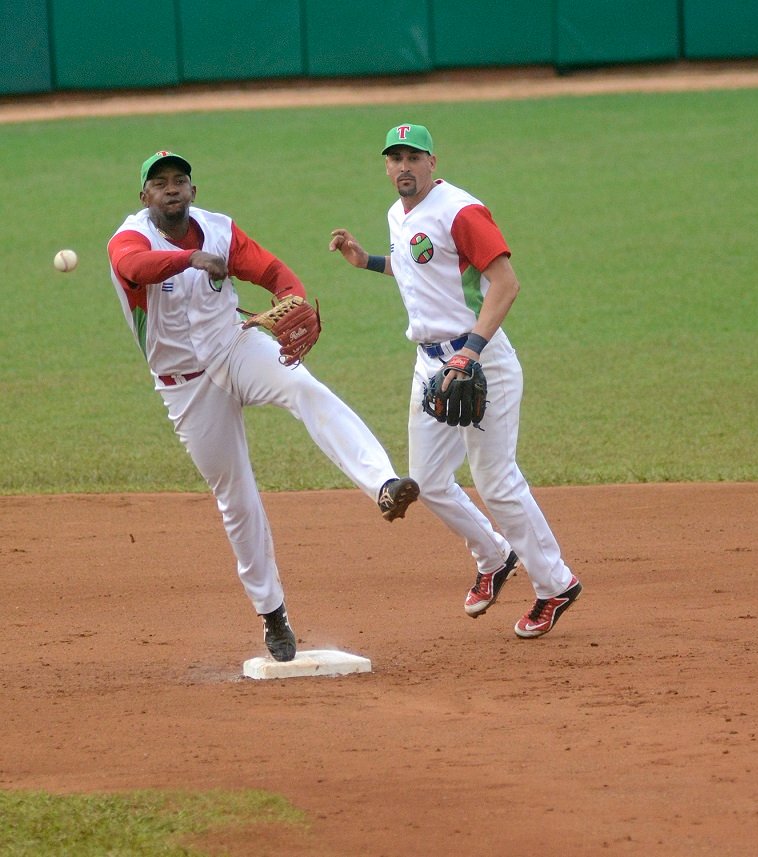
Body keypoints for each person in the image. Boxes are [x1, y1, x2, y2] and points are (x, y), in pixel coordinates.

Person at [107, 151, 420, 663]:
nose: (170, 190)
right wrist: (188, 259)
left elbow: (273, 271)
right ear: (144, 197)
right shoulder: (130, 238)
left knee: (305, 387)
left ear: (193, 190)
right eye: (159, 184)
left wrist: (292, 298)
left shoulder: (220, 230)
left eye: (180, 181)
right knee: (237, 495)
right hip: (184, 385)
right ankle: (273, 613)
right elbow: (131, 266)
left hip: (236, 347)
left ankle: (384, 484)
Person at [329, 123, 582, 638]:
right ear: (385, 166)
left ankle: (555, 585)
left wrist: (470, 352)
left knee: (496, 480)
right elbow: (417, 268)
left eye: (413, 157)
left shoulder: (461, 210)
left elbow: (505, 285)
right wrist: (366, 261)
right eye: (394, 158)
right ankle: (494, 556)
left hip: (479, 362)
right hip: (431, 366)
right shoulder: (398, 215)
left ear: (432, 162)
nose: (403, 166)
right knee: (428, 480)